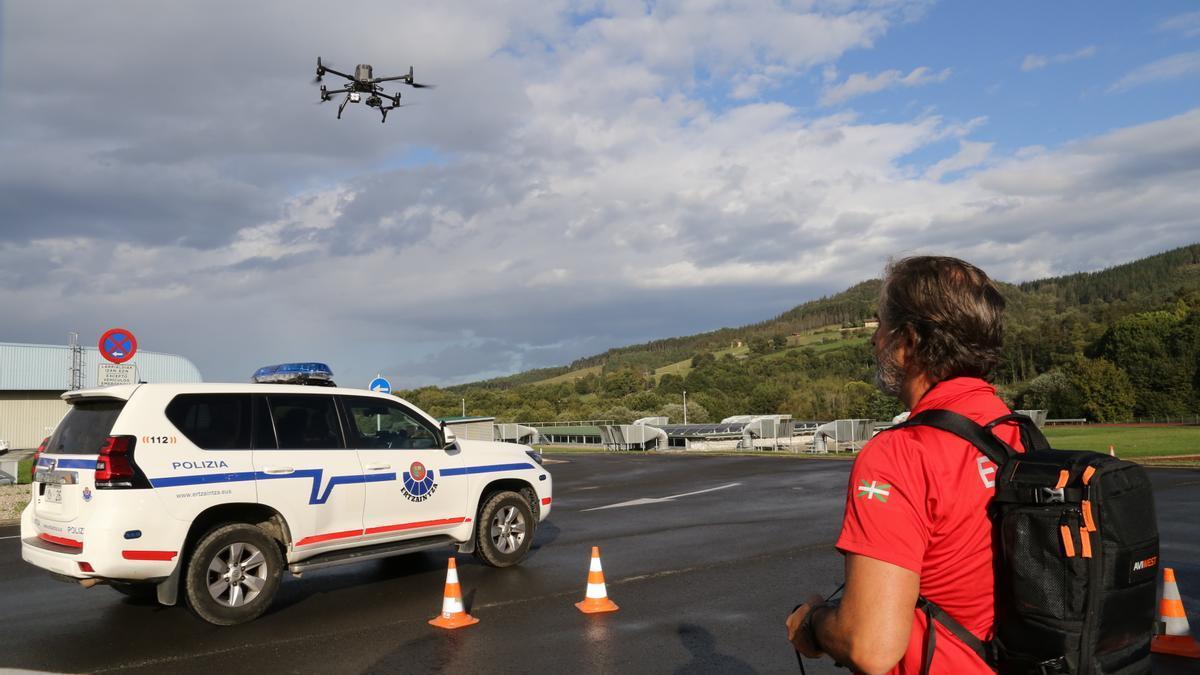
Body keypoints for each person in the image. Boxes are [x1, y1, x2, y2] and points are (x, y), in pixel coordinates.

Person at [786, 256, 1020, 674]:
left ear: (908, 342)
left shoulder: (901, 453)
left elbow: (870, 647)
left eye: (880, 327)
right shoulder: (1018, 432)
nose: (874, 340)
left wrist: (813, 623)